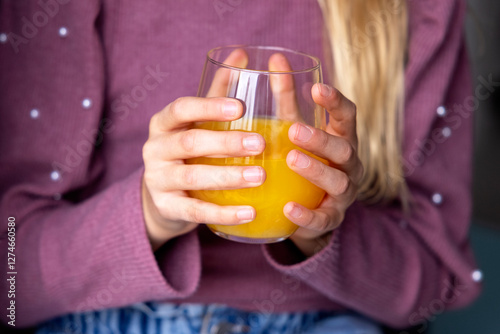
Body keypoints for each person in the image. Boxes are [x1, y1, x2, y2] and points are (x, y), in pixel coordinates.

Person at [0, 0, 481, 333]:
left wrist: (318, 228)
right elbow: (12, 281)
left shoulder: (415, 12)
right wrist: (148, 214)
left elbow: (437, 282)